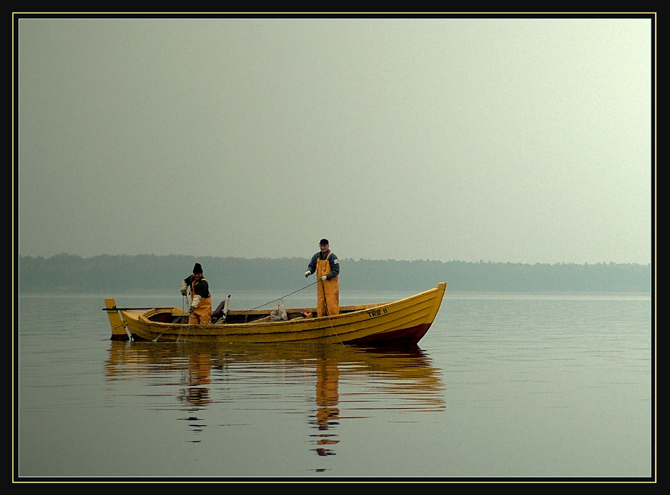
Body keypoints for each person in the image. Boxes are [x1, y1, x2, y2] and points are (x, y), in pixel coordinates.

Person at [305, 239, 340, 317]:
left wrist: (327, 276)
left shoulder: (332, 257)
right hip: (320, 285)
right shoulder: (316, 256)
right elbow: (312, 266)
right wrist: (309, 271)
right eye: (321, 245)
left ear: (328, 246)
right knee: (321, 301)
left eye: (324, 246)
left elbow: (336, 270)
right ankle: (321, 318)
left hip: (331, 285)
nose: (323, 247)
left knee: (331, 302)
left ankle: (334, 318)